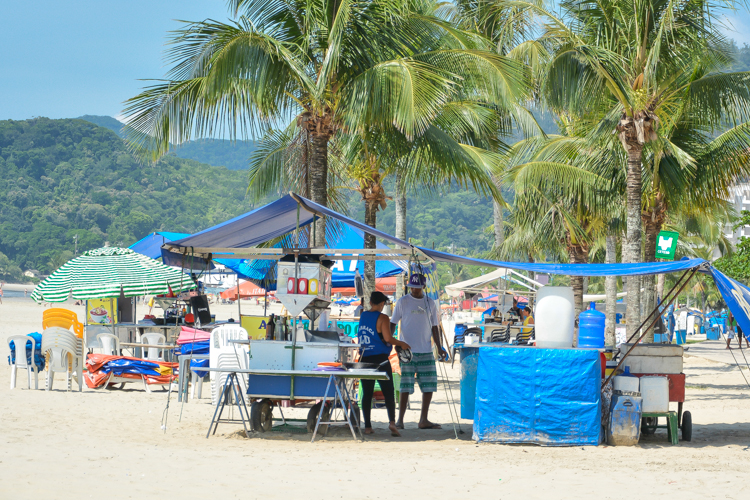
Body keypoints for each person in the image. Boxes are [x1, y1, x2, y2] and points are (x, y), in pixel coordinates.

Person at [390, 273, 446, 430]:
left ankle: (423, 419)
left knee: (429, 386)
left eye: (417, 287)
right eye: (412, 287)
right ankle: (400, 420)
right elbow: (393, 323)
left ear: (423, 287)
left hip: (426, 350)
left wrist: (440, 347)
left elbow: (435, 326)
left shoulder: (430, 303)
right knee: (405, 385)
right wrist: (390, 341)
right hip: (406, 351)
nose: (414, 290)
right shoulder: (402, 302)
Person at [357, 291, 410, 436]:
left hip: (365, 358)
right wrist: (402, 343)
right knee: (388, 392)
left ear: (370, 302)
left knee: (366, 394)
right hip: (381, 359)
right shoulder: (383, 318)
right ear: (381, 303)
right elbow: (388, 338)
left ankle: (367, 426)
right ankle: (392, 423)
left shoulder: (363, 315)